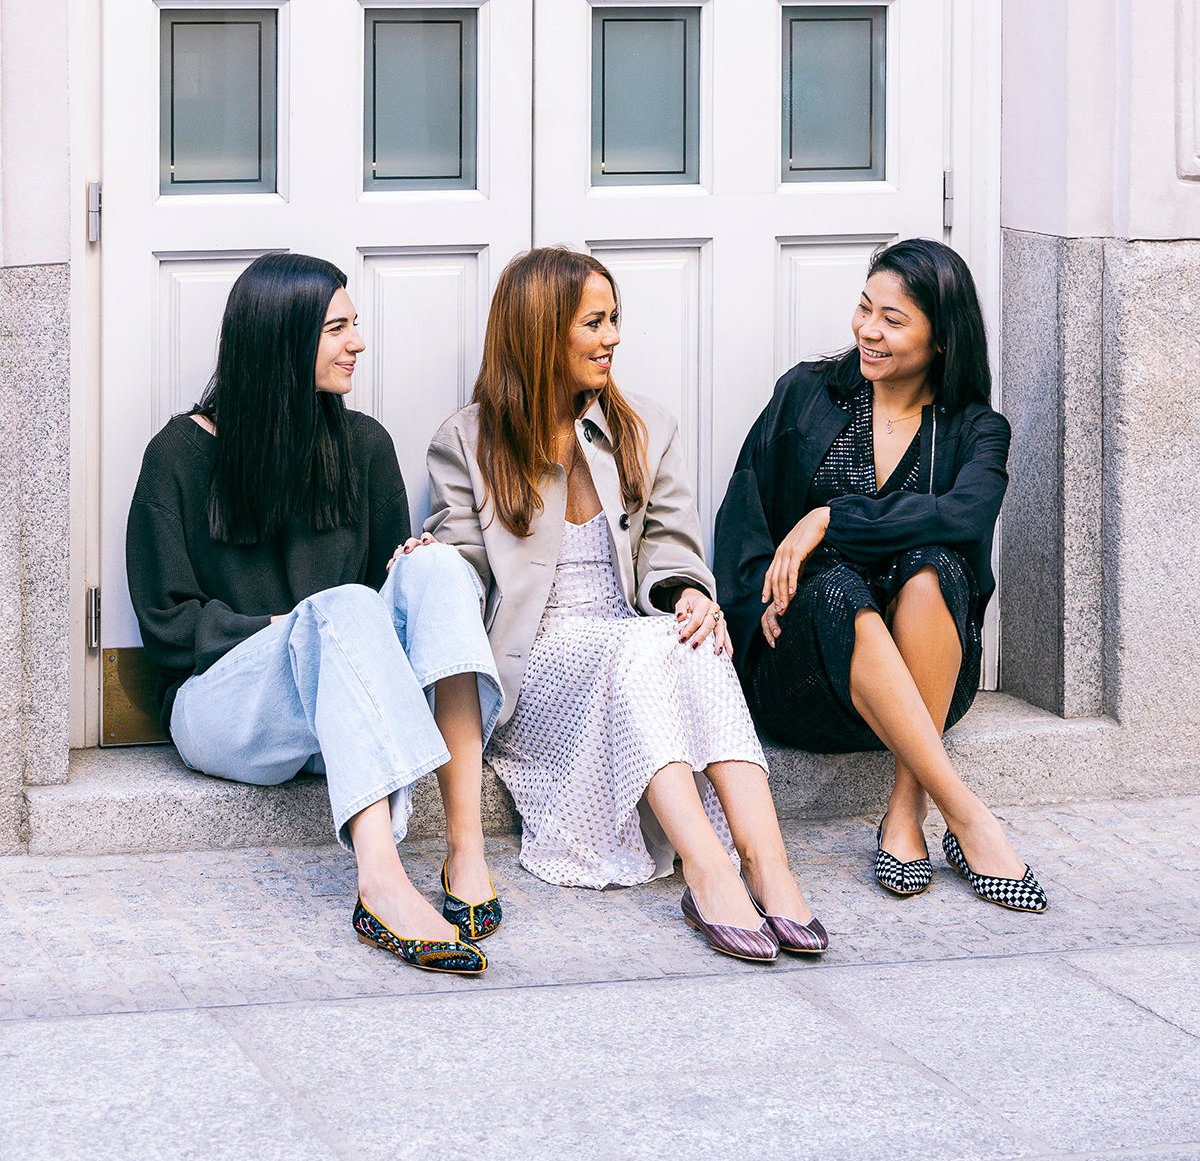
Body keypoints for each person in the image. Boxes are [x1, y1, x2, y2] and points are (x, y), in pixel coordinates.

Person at [424, 246, 825, 964]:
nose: (613, 337)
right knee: (650, 644)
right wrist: (425, 556)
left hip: (630, 648)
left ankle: (769, 865)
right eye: (594, 322)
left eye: (615, 320)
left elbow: (672, 544)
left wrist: (693, 597)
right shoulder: (469, 441)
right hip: (538, 668)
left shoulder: (644, 426)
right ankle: (708, 870)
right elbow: (459, 575)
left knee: (691, 637)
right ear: (542, 332)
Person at [125, 252, 504, 974]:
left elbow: (377, 609)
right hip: (224, 706)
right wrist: (284, 629)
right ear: (280, 340)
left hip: (344, 704)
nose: (357, 342)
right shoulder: (177, 455)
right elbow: (168, 627)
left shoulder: (363, 447)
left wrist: (408, 566)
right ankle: (381, 882)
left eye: (354, 325)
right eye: (336, 328)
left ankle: (465, 849)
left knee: (437, 565)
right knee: (338, 611)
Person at [714, 238, 1048, 914]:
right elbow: (742, 522)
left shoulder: (977, 432)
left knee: (933, 567)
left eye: (893, 320)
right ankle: (968, 815)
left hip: (929, 683)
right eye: (865, 309)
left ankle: (906, 807)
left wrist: (830, 521)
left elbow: (966, 514)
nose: (868, 330)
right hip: (803, 676)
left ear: (942, 338)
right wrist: (759, 605)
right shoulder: (807, 394)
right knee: (835, 590)